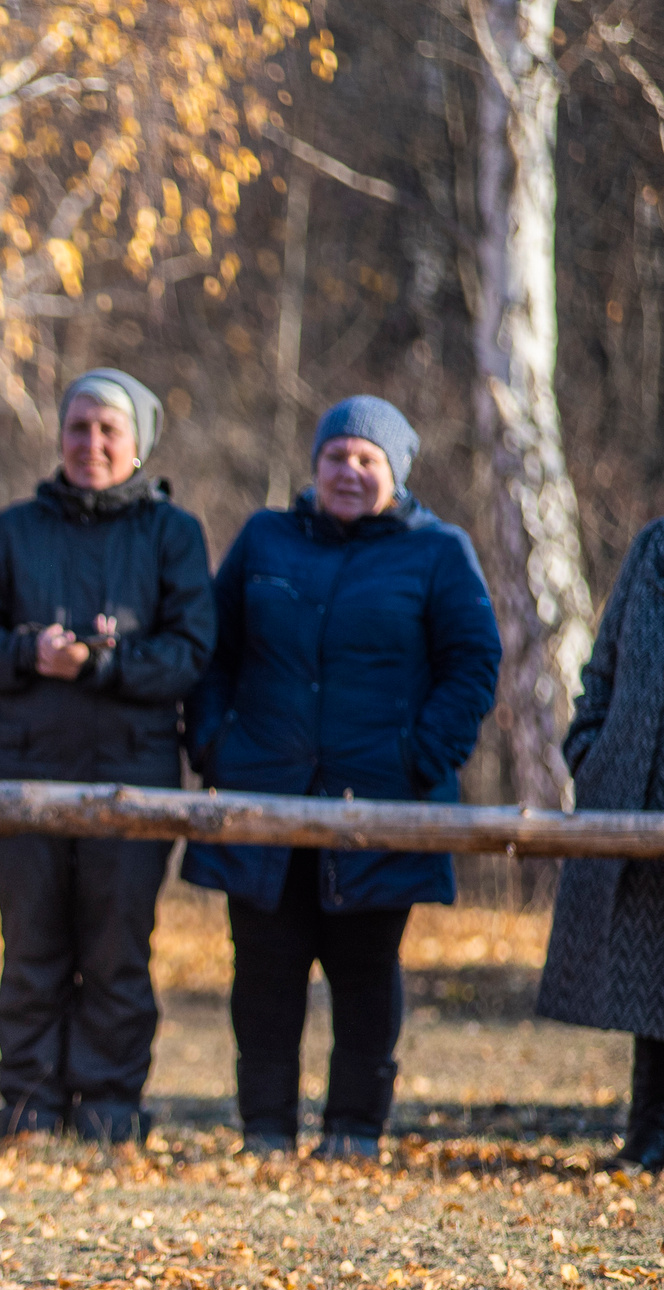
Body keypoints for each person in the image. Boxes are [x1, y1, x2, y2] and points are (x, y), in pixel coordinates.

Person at [182, 396, 501, 1159]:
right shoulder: (265, 539)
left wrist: (421, 757)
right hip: (265, 800)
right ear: (315, 463)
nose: (349, 471)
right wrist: (216, 745)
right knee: (264, 971)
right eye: (336, 456)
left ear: (396, 471)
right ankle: (266, 1130)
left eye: (367, 459)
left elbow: (473, 662)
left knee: (365, 971)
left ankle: (354, 1129)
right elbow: (213, 650)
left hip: (382, 806)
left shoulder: (438, 551)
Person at [0, 368, 214, 1145]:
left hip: (134, 774)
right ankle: (28, 1107)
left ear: (138, 444)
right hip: (25, 770)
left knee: (116, 950)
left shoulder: (173, 534)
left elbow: (191, 653)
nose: (90, 443)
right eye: (78, 427)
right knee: (32, 947)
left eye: (108, 430)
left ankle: (109, 1108)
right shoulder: (15, 529)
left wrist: (103, 665)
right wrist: (30, 653)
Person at [534, 519, 664, 1172]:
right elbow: (604, 665)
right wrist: (590, 746)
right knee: (652, 982)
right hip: (637, 795)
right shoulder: (653, 547)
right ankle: (649, 1135)